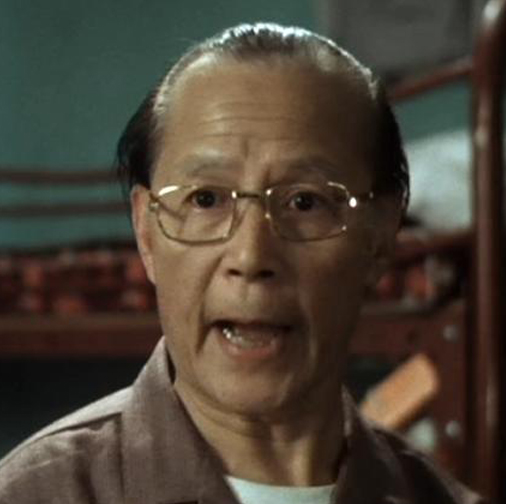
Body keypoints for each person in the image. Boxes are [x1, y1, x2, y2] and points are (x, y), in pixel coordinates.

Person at [0, 22, 485, 504]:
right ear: (146, 233)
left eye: (305, 202)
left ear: (379, 238)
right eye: (206, 199)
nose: (251, 257)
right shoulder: (39, 493)